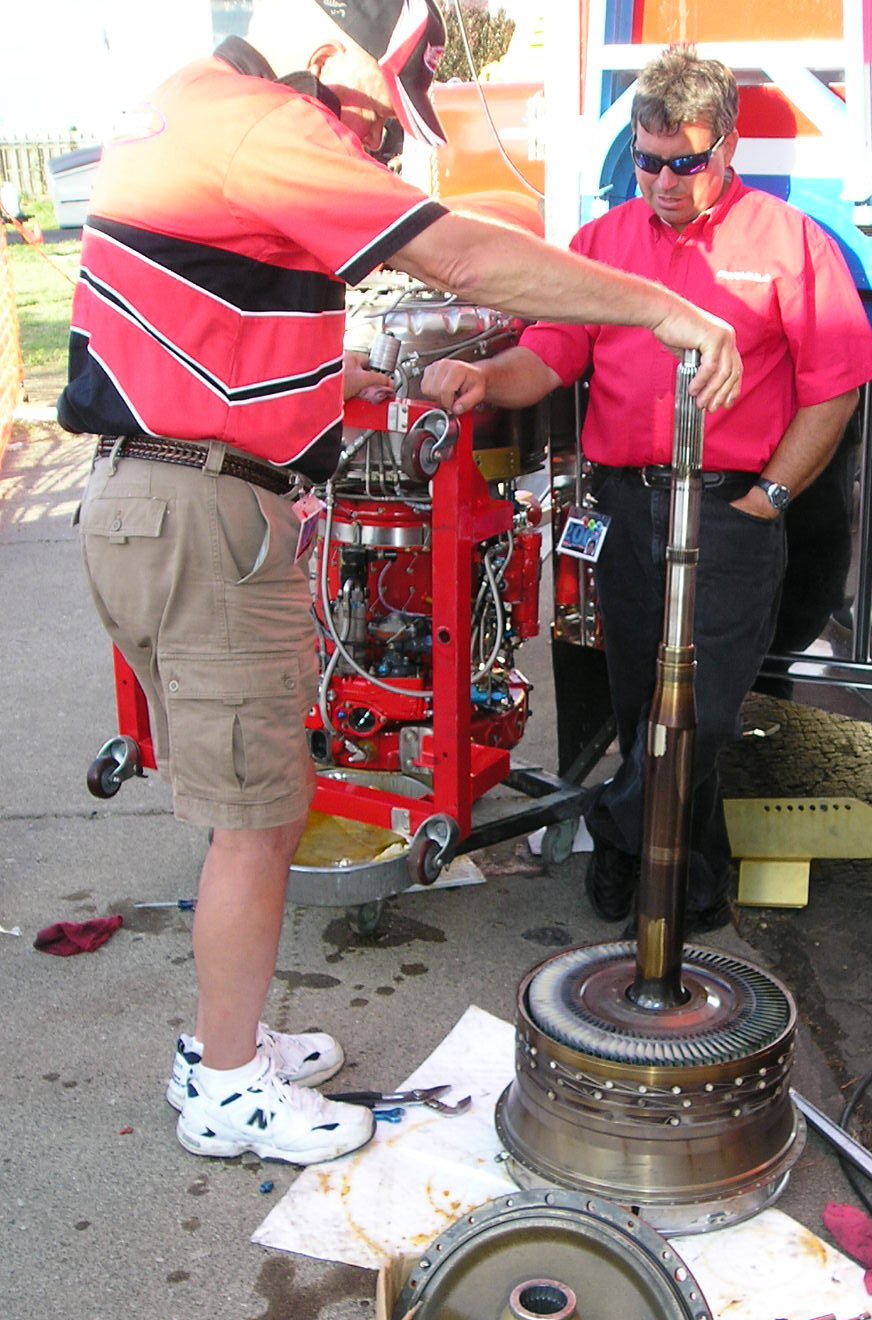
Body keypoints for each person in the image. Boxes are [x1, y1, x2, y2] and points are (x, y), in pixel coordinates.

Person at [57, 0, 741, 1168]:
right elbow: (461, 252)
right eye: (376, 128)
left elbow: (219, 332)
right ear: (330, 61)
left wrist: (373, 364)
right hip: (201, 511)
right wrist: (666, 309)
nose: (371, 157)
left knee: (253, 808)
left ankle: (231, 1039)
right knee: (258, 814)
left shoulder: (190, 115)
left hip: (163, 502)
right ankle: (226, 1087)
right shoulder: (261, 125)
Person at [421, 45, 872, 936]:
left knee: (702, 714)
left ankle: (612, 824)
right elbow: (549, 358)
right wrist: (484, 379)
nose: (664, 182)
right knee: (642, 706)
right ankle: (681, 878)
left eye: (686, 163)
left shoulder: (789, 244)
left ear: (729, 150)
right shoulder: (601, 245)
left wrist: (773, 499)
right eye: (648, 161)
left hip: (730, 509)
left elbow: (835, 389)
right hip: (628, 509)